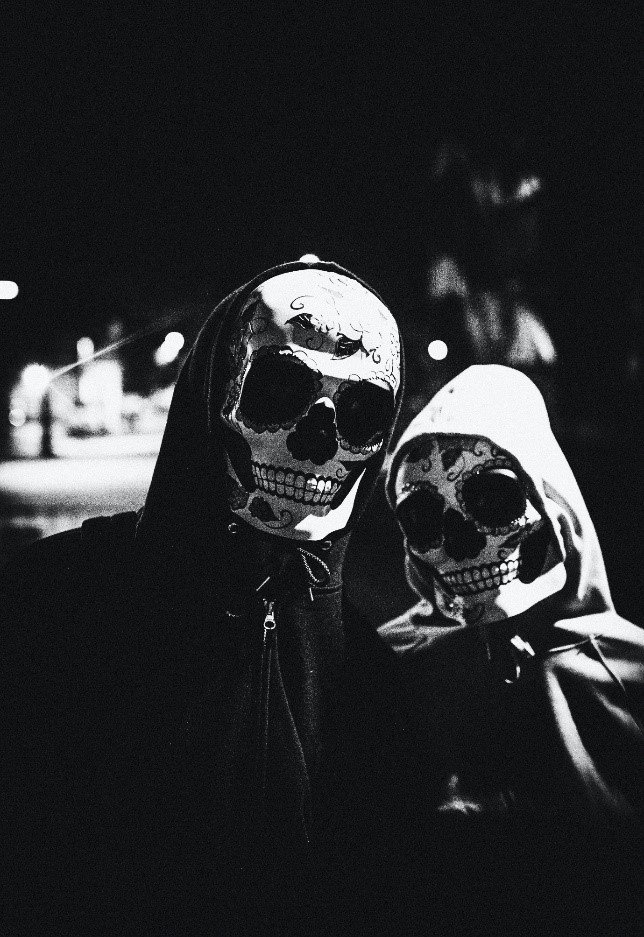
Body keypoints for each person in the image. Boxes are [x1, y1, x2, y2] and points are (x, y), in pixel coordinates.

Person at [0, 259, 406, 932]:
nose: (315, 440)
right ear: (215, 393)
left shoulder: (366, 678)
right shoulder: (55, 601)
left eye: (360, 410)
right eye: (279, 388)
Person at [379, 364, 643, 933]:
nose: (463, 542)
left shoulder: (629, 676)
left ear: (550, 504)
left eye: (495, 498)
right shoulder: (383, 670)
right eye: (423, 516)